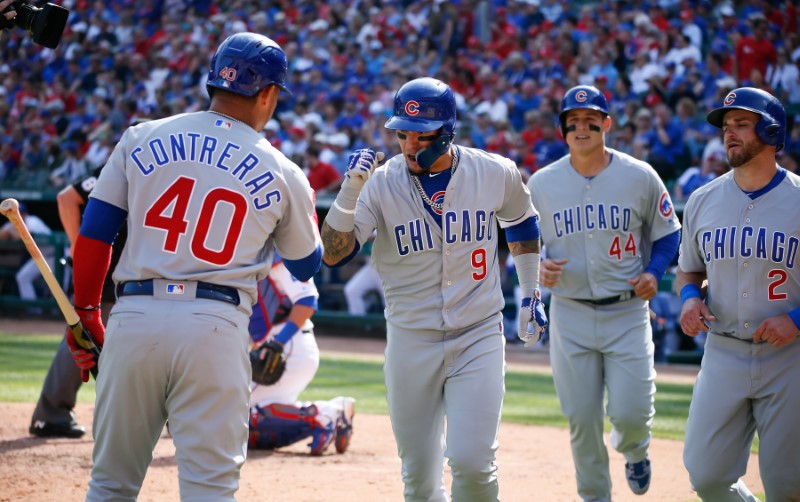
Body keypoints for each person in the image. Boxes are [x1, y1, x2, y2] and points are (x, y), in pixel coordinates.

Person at [66, 33, 322, 500]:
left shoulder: (140, 136)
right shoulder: (284, 169)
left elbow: (95, 234)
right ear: (267, 94)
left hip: (134, 317)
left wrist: (84, 311)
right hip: (217, 325)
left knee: (109, 485)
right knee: (211, 489)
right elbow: (306, 264)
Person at [321, 77, 547, 500]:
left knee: (473, 463)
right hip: (411, 339)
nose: (408, 144)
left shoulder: (493, 171)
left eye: (420, 136)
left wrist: (531, 293)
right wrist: (350, 190)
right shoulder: (379, 182)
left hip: (478, 333)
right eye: (401, 134)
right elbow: (333, 254)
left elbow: (521, 220)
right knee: (420, 479)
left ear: (446, 134)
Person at [527, 85, 682, 500]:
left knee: (632, 415)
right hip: (571, 313)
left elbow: (669, 234)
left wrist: (654, 271)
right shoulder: (542, 183)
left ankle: (635, 451)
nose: (582, 127)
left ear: (607, 123)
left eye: (590, 119)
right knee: (581, 418)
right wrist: (537, 268)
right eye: (572, 121)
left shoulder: (639, 175)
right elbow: (523, 243)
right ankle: (595, 495)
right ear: (562, 130)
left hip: (627, 311)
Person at [677, 87, 800, 501]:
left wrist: (796, 321)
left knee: (788, 486)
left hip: (790, 359)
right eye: (726, 126)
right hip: (724, 350)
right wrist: (691, 298)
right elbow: (689, 270)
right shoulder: (702, 200)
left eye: (741, 124)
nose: (729, 133)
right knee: (707, 476)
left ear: (770, 130)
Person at [29, 167, 124, 438]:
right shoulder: (125, 162)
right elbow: (66, 197)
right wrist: (75, 244)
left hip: (124, 272)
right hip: (107, 272)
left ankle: (52, 413)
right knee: (83, 339)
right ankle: (50, 414)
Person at [247, 255, 355, 456]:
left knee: (236, 421)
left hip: (287, 346)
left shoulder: (280, 255)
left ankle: (323, 415)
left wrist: (277, 344)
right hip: (280, 344)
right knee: (233, 420)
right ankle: (334, 410)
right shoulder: (254, 252)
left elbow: (307, 301)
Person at [0, 202, 55, 304]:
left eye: (20, 213)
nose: (17, 215)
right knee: (22, 277)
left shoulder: (33, 221)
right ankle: (33, 310)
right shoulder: (13, 222)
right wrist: (7, 231)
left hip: (56, 257)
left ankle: (56, 315)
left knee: (57, 288)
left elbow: (26, 236)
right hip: (40, 258)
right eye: (12, 213)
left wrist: (11, 232)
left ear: (25, 214)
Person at [343, 233, 383, 316]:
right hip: (371, 267)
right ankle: (358, 325)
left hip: (388, 267)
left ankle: (391, 327)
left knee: (389, 299)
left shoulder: (387, 221)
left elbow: (374, 236)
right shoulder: (366, 221)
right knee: (351, 290)